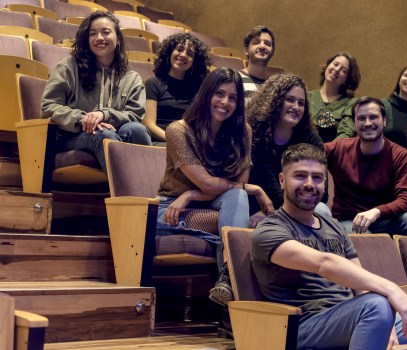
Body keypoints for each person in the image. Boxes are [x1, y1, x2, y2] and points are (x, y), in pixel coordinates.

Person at [251, 143, 407, 349]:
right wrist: (391, 291)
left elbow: (359, 283)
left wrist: (386, 325)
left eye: (317, 178)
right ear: (282, 180)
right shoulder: (269, 231)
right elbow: (323, 263)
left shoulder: (333, 227)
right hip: (304, 326)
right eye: (300, 176)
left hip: (354, 317)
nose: (309, 184)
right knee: (376, 305)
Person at [155, 68, 274, 305]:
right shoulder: (178, 131)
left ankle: (227, 281)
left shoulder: (243, 132)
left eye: (232, 97)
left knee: (238, 199)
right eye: (219, 94)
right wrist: (255, 189)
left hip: (216, 204)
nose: (225, 102)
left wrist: (191, 193)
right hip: (176, 208)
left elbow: (239, 184)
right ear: (206, 94)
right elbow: (209, 183)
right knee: (243, 206)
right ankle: (237, 293)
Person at [41, 11, 151, 172]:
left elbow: (135, 114)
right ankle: (128, 193)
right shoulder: (68, 67)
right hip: (71, 136)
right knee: (103, 134)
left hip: (114, 131)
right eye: (93, 34)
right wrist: (84, 118)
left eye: (106, 32)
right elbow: (49, 106)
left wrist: (104, 114)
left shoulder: (131, 77)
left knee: (137, 130)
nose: (99, 38)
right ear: (87, 39)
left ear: (118, 38)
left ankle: (154, 190)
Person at [325, 97, 407, 236]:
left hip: (384, 219)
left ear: (384, 120)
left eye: (373, 117)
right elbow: (309, 153)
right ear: (354, 123)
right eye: (361, 118)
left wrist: (377, 212)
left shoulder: (400, 155)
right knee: (365, 237)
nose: (368, 123)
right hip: (349, 220)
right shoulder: (340, 148)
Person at [247, 73, 327, 228]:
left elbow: (322, 189)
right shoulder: (255, 135)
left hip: (301, 204)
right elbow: (265, 181)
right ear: (274, 101)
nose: (296, 107)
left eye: (301, 103)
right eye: (290, 100)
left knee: (322, 210)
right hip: (262, 205)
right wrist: (269, 211)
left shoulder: (310, 139)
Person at [143, 32, 210, 145]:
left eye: (189, 53)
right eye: (179, 49)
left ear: (194, 62)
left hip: (188, 143)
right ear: (170, 53)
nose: (183, 55)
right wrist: (176, 141)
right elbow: (148, 124)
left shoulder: (198, 89)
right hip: (161, 141)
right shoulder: (153, 84)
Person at [309, 52, 361, 142]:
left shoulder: (351, 103)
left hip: (332, 153)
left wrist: (326, 151)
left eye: (343, 70)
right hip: (302, 152)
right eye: (335, 64)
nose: (336, 69)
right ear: (327, 66)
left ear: (347, 79)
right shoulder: (307, 96)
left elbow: (346, 133)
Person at [239, 25, 275, 103]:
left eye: (267, 43)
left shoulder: (274, 87)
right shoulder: (235, 79)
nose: (262, 46)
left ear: (272, 53)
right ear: (246, 50)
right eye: (256, 42)